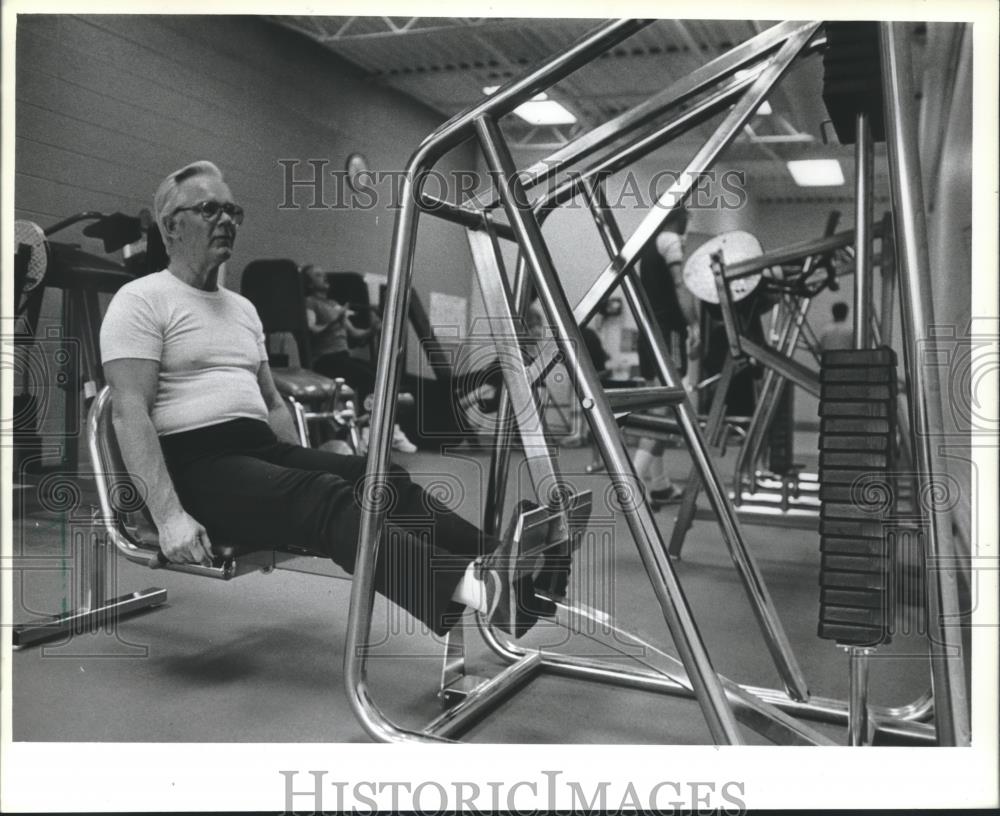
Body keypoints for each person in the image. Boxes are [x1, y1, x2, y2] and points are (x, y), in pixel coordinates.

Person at [99, 160, 551, 639]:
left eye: (233, 210)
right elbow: (129, 413)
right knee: (324, 498)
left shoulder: (243, 309)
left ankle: (505, 561)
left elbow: (272, 403)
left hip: (256, 452)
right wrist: (168, 518)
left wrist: (302, 465)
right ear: (171, 225)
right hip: (194, 466)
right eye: (211, 209)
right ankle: (479, 590)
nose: (227, 220)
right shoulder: (141, 299)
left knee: (378, 478)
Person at [303, 264, 417, 453]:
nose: (324, 277)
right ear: (309, 283)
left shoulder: (333, 304)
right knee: (368, 378)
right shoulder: (310, 303)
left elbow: (355, 334)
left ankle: (388, 429)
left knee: (380, 375)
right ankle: (367, 431)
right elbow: (311, 329)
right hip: (326, 359)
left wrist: (372, 330)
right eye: (317, 275)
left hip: (343, 356)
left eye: (323, 273)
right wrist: (335, 318)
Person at [634, 206, 701, 504]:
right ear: (680, 217)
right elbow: (679, 284)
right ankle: (633, 482)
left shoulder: (648, 244)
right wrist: (694, 323)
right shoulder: (670, 240)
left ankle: (659, 484)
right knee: (664, 409)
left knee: (658, 407)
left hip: (648, 333)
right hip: (667, 332)